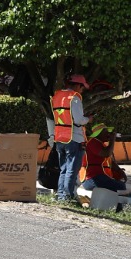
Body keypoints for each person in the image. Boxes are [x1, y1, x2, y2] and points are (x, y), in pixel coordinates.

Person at [48, 74, 91, 203]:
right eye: (82, 87)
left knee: (64, 169)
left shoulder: (57, 96)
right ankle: (67, 197)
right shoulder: (75, 98)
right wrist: (88, 119)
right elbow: (78, 120)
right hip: (74, 138)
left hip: (60, 137)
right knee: (71, 169)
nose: (82, 90)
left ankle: (61, 196)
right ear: (78, 85)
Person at [83, 123, 127, 193]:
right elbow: (106, 154)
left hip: (99, 177)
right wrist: (112, 141)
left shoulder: (100, 143)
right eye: (106, 132)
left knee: (119, 186)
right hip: (92, 178)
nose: (108, 134)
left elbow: (110, 161)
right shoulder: (93, 142)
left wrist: (119, 170)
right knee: (120, 186)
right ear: (99, 133)